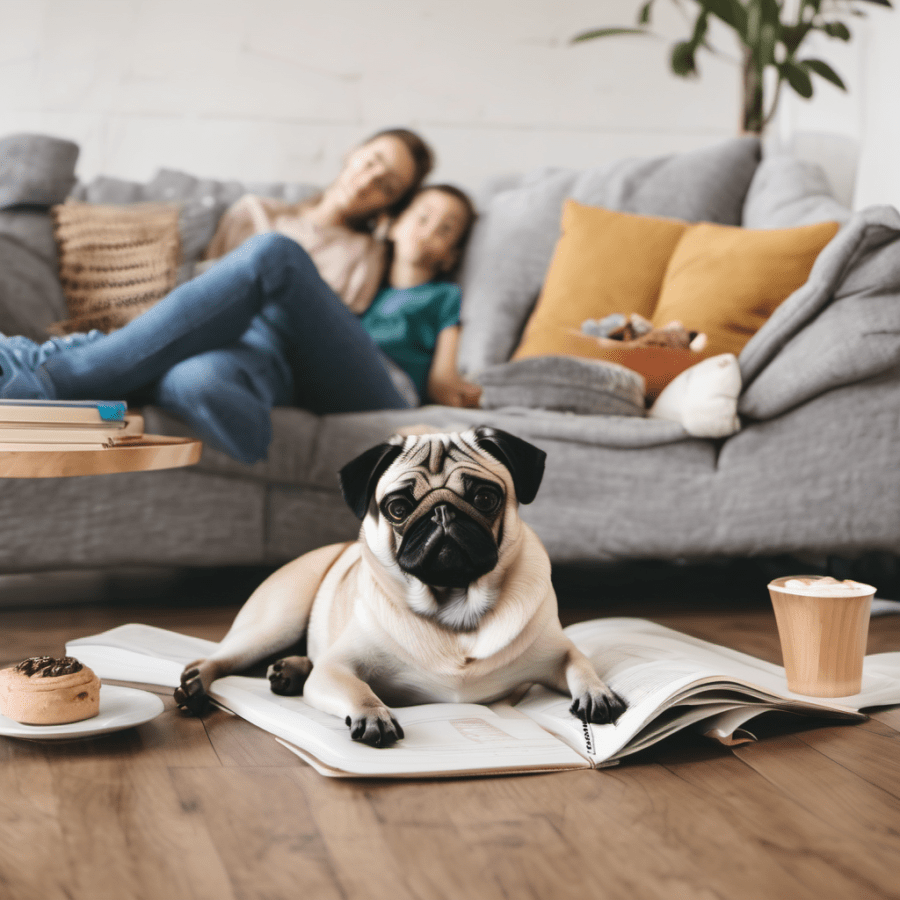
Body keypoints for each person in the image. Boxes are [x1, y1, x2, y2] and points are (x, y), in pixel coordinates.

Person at [0, 168, 481, 464]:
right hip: (303, 370)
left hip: (386, 386)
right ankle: (121, 386)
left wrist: (468, 388)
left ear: (450, 252)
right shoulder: (363, 273)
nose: (430, 231)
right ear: (392, 222)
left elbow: (443, 382)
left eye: (446, 229)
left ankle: (51, 376)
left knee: (274, 254)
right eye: (423, 216)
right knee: (198, 379)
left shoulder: (442, 297)